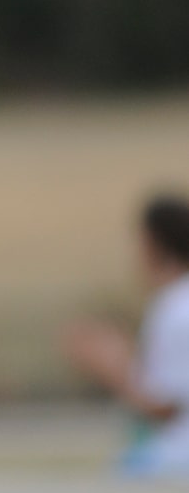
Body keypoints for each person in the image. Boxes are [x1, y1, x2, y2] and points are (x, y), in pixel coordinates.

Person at [61, 194, 189, 478]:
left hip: (176, 462)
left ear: (153, 242)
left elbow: (167, 409)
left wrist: (112, 366)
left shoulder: (174, 307)